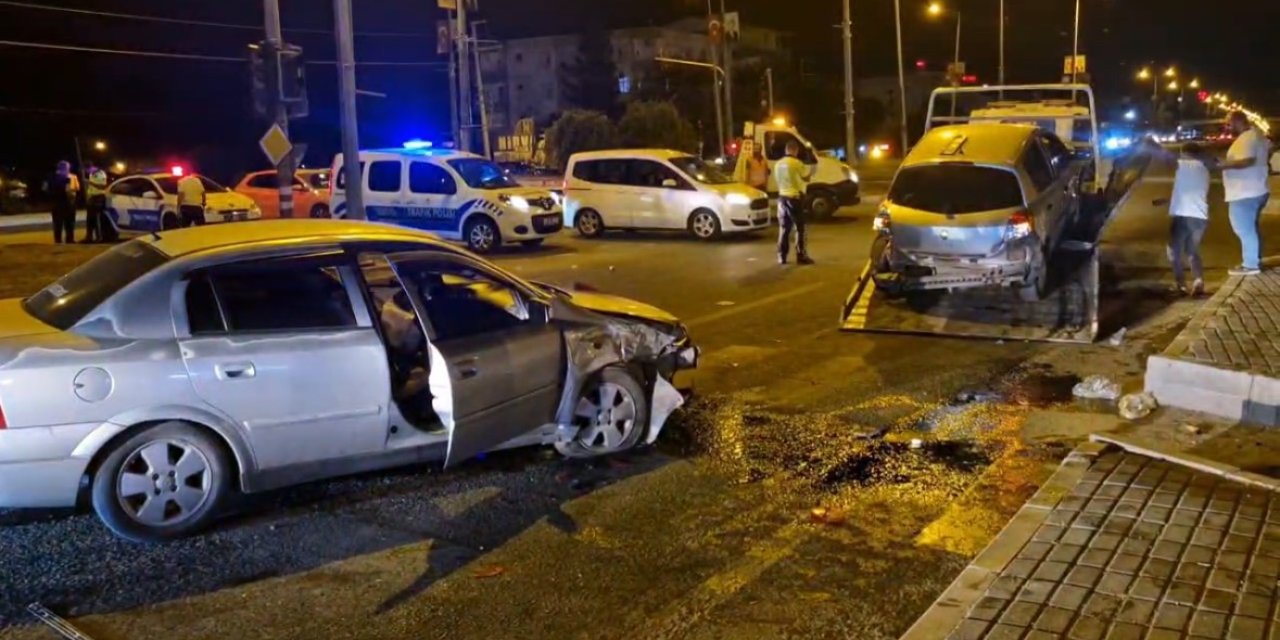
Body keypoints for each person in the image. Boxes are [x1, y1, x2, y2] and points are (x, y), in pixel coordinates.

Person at [1220, 111, 1272, 276]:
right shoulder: (1257, 135)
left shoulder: (1248, 138)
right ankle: (1255, 259)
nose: (1227, 127)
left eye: (1229, 123)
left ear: (1237, 121)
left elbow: (1248, 160)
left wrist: (1223, 165)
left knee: (1244, 229)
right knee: (1251, 228)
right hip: (1256, 189)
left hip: (1245, 192)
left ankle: (1250, 265)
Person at [1159, 142, 1215, 296]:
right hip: (1200, 217)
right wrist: (1166, 201)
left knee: (1173, 250)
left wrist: (1150, 144)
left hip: (1183, 215)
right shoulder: (1204, 169)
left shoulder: (1183, 165)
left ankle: (1180, 284)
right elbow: (1189, 191)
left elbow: (1164, 156)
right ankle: (1198, 281)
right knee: (1192, 250)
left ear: (1185, 153)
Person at [775, 140, 812, 265]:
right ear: (795, 150)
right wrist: (811, 171)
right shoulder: (797, 163)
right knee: (800, 228)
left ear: (786, 150)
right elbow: (806, 177)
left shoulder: (778, 164)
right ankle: (801, 256)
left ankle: (782, 256)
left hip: (781, 198)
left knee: (784, 229)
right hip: (794, 198)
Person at [46, 161, 78, 243]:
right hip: (67, 202)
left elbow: (45, 188)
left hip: (55, 203)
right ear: (66, 168)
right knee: (69, 223)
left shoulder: (50, 177)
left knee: (57, 223)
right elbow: (67, 190)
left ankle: (58, 240)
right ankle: (69, 239)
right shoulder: (67, 178)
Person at [82, 164, 109, 243]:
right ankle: (89, 237)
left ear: (91, 167)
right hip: (92, 198)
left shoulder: (101, 174)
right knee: (90, 219)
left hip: (98, 198)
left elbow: (103, 186)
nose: (86, 172)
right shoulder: (92, 174)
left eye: (87, 170)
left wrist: (90, 182)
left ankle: (99, 237)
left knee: (97, 219)